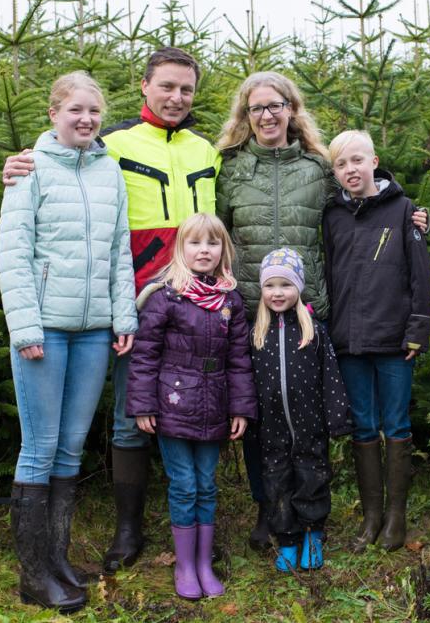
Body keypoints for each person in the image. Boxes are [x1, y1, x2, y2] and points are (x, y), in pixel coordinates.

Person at [2, 47, 221, 574]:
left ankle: (203, 531)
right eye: (166, 86)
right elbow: (58, 165)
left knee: (200, 408)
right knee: (130, 414)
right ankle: (127, 533)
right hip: (137, 304)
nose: (176, 97)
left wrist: (389, 190)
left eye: (186, 89)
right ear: (144, 86)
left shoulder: (208, 149)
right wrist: (14, 165)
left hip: (195, 305)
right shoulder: (112, 145)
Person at [214, 71, 428, 550]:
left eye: (276, 106)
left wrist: (412, 213)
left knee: (307, 417)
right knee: (261, 416)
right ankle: (269, 509)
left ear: (292, 110)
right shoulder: (229, 170)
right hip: (253, 311)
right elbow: (214, 231)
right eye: (257, 109)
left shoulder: (316, 166)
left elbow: (364, 201)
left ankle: (313, 508)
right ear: (245, 116)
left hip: (312, 314)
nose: (267, 116)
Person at [0, 71, 138, 611]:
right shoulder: (29, 170)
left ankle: (56, 560)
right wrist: (26, 327)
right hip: (45, 331)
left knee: (72, 446)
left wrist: (123, 315)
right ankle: (34, 576)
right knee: (39, 448)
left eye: (94, 112)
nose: (86, 120)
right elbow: (13, 252)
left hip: (95, 332)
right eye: (75, 110)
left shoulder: (109, 172)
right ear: (53, 112)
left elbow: (118, 252)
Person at [125, 212, 256, 599]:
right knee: (184, 486)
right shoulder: (165, 296)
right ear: (180, 249)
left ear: (222, 250)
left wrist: (241, 409)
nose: (204, 250)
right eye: (195, 243)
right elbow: (145, 356)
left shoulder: (230, 300)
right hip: (173, 404)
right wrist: (143, 404)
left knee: (206, 485)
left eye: (212, 243)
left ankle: (203, 563)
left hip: (214, 405)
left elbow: (239, 360)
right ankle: (184, 566)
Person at [322, 129, 430, 553]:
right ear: (334, 171)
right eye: (341, 164)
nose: (350, 170)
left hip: (393, 339)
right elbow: (330, 272)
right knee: (364, 425)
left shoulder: (406, 211)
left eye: (357, 160)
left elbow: (420, 276)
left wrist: (417, 330)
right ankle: (371, 515)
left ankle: (396, 516)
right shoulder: (332, 216)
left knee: (396, 424)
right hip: (349, 339)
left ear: (374, 161)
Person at [250, 248, 352, 572]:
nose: (277, 293)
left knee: (312, 477)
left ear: (298, 288)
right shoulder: (256, 335)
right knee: (277, 481)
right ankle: (288, 539)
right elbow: (245, 381)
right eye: (270, 286)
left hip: (310, 425)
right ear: (262, 290)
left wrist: (337, 418)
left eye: (285, 285)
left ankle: (313, 534)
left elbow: (331, 377)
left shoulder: (314, 332)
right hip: (271, 429)